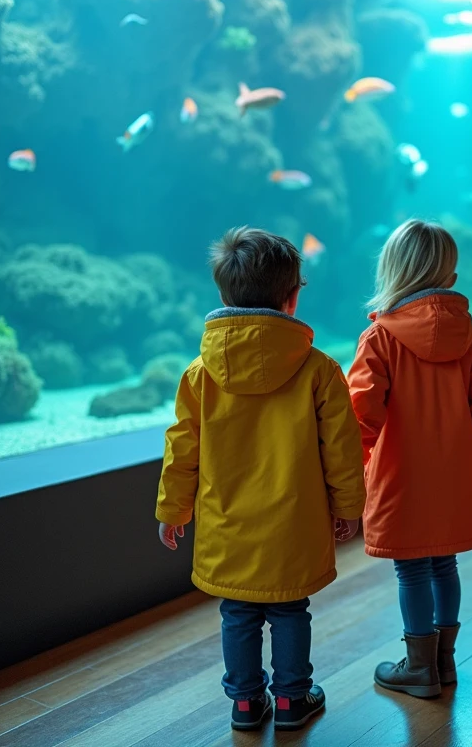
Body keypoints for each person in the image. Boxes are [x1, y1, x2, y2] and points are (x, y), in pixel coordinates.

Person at [155, 226, 366, 732]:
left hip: (228, 526)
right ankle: (293, 699)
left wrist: (172, 509)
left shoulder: (198, 375)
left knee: (239, 612)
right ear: (292, 298)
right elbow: (341, 449)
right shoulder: (320, 370)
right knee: (292, 609)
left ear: (223, 294)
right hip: (294, 524)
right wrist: (348, 507)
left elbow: (182, 449)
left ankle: (246, 704)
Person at [348, 219, 472, 699]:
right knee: (445, 565)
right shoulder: (471, 338)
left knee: (412, 569)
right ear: (451, 276)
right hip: (456, 477)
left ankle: (419, 669)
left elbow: (361, 416)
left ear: (392, 272)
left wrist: (344, 478)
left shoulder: (379, 339)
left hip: (402, 480)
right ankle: (444, 661)